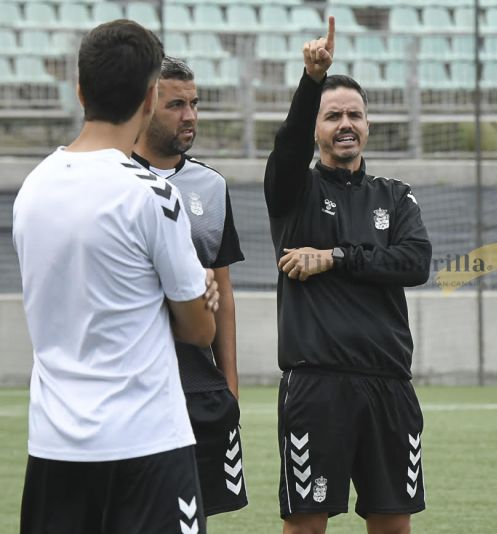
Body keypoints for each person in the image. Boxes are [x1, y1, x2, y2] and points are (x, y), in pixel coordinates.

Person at [13, 21, 219, 534]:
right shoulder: (152, 195)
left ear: (79, 89)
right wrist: (194, 298)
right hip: (146, 445)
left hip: (54, 447)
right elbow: (199, 331)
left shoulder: (31, 190)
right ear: (151, 98)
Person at [264, 16, 432, 534]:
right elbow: (288, 148)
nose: (345, 124)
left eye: (354, 115)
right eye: (332, 115)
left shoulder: (395, 195)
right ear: (316, 127)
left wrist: (335, 257)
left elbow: (415, 262)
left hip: (389, 382)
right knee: (308, 523)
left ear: (368, 124)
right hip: (317, 383)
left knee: (393, 522)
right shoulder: (294, 192)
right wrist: (311, 80)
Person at [132, 56, 248, 520]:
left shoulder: (212, 186)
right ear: (145, 106)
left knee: (194, 520)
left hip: (200, 390)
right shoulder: (112, 179)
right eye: (176, 104)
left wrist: (231, 385)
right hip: (136, 387)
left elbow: (225, 296)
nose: (190, 116)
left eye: (194, 104)